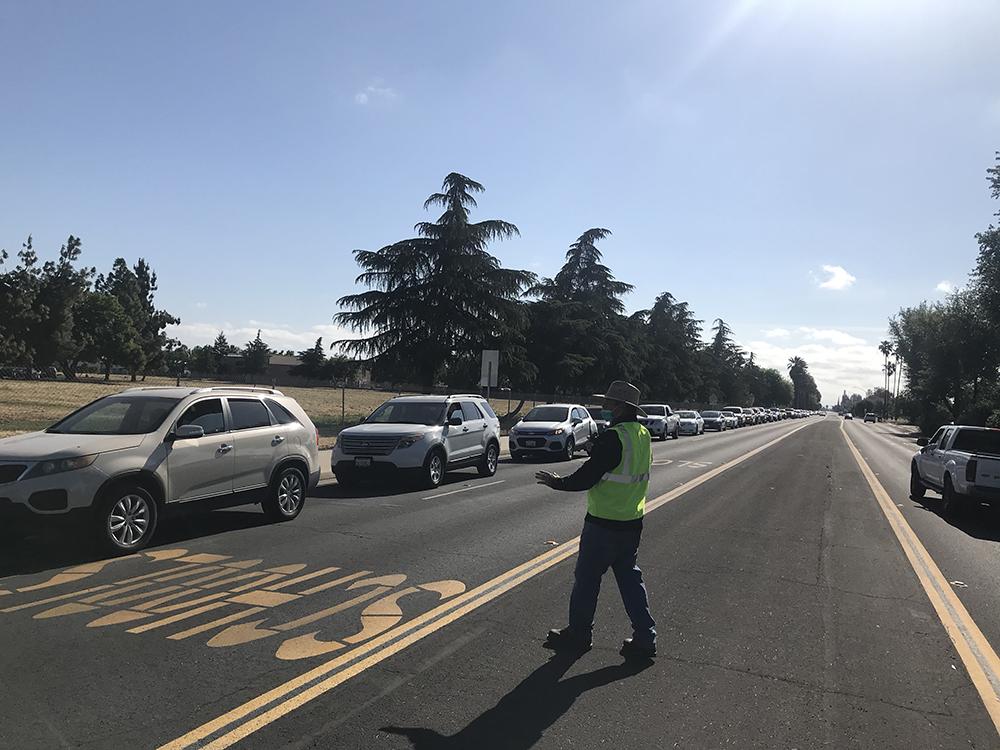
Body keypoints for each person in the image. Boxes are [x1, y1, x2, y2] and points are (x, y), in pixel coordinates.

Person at [535, 380, 657, 658]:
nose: (603, 406)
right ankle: (645, 637)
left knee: (587, 581)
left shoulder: (613, 437)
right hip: (631, 521)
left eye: (608, 403)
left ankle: (579, 634)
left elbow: (587, 477)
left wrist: (557, 483)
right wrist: (597, 450)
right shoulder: (641, 434)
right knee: (630, 581)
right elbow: (622, 465)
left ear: (621, 407)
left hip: (603, 524)